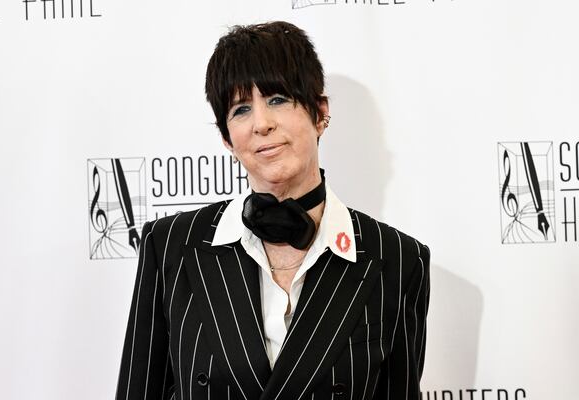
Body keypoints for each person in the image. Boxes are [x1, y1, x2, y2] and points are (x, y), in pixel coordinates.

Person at [116, 21, 430, 400]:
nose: (261, 124)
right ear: (226, 137)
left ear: (319, 113)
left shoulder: (398, 260)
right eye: (240, 109)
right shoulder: (170, 247)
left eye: (277, 99)